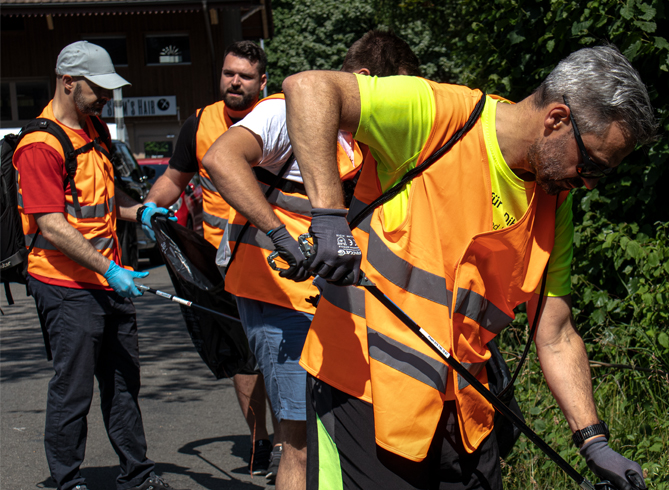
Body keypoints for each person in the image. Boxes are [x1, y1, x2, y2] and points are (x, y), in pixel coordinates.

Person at [280, 45, 659, 489]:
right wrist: (328, 217)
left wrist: (593, 441)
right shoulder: (441, 117)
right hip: (361, 389)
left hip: (462, 405)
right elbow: (308, 87)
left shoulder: (555, 204)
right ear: (556, 119)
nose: (590, 183)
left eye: (602, 174)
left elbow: (555, 333)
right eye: (591, 164)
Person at [201, 30, 421, 490]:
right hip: (279, 299)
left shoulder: (351, 137)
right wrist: (279, 235)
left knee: (330, 433)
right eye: (394, 93)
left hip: (323, 301)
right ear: (364, 79)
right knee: (297, 440)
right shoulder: (283, 111)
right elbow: (221, 160)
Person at [13, 41, 179, 490]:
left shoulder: (95, 129)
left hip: (106, 281)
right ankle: (67, 481)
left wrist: (140, 210)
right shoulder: (40, 145)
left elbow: (104, 202)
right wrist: (109, 271)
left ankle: (137, 476)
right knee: (73, 390)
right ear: (68, 82)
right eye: (97, 88)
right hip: (64, 286)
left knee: (124, 383)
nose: (105, 96)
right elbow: (50, 223)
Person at [142, 40, 275, 477]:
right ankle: (259, 444)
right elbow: (173, 179)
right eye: (229, 73)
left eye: (245, 76)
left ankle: (297, 442)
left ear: (262, 82)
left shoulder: (278, 117)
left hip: (279, 257)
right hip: (224, 261)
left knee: (284, 351)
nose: (234, 81)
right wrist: (152, 207)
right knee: (242, 357)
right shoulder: (199, 123)